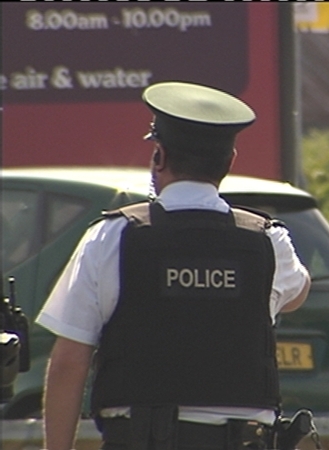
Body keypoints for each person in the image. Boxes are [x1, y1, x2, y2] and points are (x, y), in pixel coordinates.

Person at [36, 81, 311, 450]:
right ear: (229, 162)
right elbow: (298, 291)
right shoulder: (267, 241)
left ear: (159, 156)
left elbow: (70, 360)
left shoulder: (112, 236)